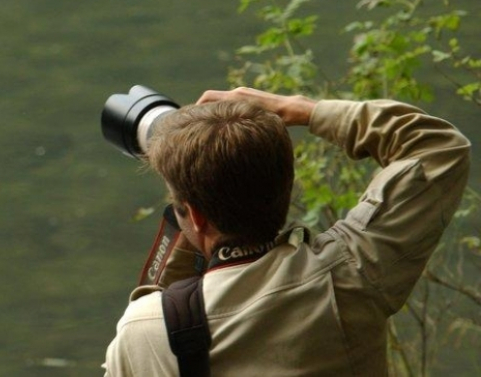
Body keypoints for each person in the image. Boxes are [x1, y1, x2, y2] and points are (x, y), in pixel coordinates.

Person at [102, 87, 471, 376]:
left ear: (194, 217)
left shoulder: (145, 331)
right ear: (286, 184)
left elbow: (170, 310)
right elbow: (439, 146)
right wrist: (303, 110)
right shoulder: (348, 276)